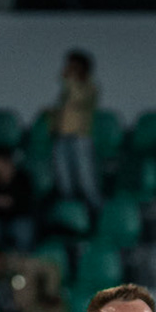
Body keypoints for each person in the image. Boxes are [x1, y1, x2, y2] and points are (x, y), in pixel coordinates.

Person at [51, 50, 102, 212]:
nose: (68, 68)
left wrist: (69, 80)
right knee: (64, 182)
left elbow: (77, 98)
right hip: (62, 138)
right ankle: (71, 215)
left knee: (86, 181)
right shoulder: (67, 88)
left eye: (72, 65)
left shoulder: (90, 86)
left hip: (79, 139)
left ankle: (97, 215)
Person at [0, 146, 37, 252]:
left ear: (6, 162)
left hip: (19, 219)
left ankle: (23, 257)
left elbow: (12, 201)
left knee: (23, 228)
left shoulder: (22, 178)